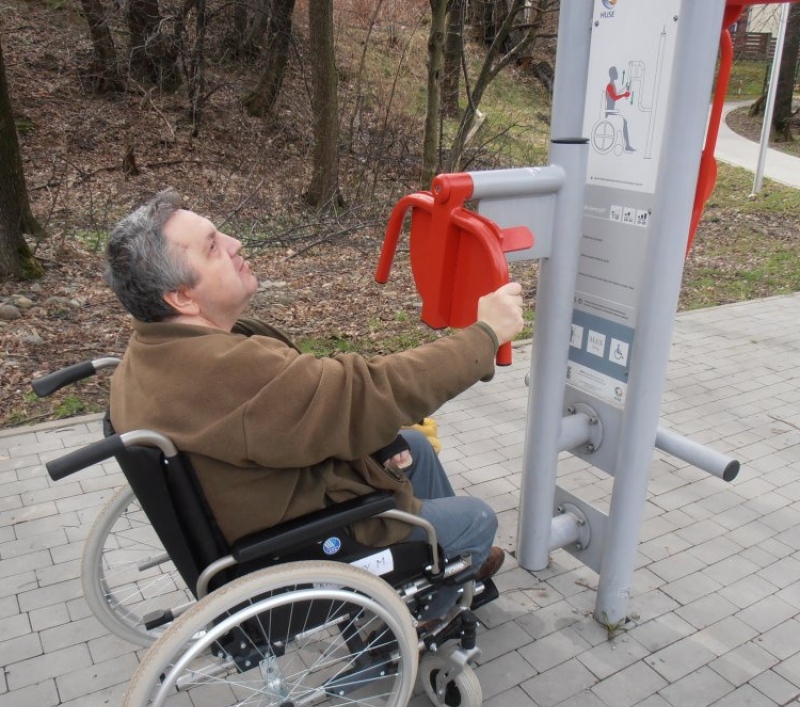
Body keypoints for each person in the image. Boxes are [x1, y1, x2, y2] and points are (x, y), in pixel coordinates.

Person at [105, 189, 524, 584]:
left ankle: (445, 558)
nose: (235, 244)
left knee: (415, 447)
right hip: (308, 537)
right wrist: (483, 337)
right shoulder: (220, 372)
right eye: (213, 247)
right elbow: (365, 393)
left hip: (275, 494)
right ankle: (433, 607)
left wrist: (377, 436)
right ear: (181, 297)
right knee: (477, 519)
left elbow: (315, 401)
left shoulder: (155, 351)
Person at [605, 66, 635, 153]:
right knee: (624, 122)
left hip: (611, 111)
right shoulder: (610, 86)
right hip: (610, 112)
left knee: (624, 122)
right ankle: (627, 145)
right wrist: (624, 95)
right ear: (613, 74)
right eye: (616, 72)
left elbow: (615, 95)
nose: (617, 74)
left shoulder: (612, 85)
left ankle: (627, 145)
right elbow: (614, 97)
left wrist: (625, 89)